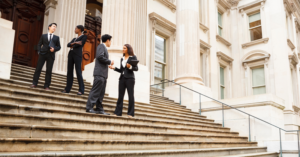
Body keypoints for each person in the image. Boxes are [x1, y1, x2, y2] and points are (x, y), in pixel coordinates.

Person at [86, 34, 114, 115]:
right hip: (99, 73)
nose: (111, 43)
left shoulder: (104, 47)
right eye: (110, 41)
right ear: (108, 40)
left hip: (103, 74)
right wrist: (109, 61)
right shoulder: (101, 46)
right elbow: (100, 57)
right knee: (95, 91)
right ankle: (89, 107)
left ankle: (99, 108)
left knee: (101, 93)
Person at [109, 44, 138, 118]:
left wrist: (130, 66)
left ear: (128, 49)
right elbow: (121, 70)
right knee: (120, 96)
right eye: (123, 48)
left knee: (130, 96)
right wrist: (114, 68)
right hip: (122, 78)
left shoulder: (133, 57)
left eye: (124, 48)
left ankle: (130, 113)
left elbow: (136, 68)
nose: (123, 49)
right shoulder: (122, 59)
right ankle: (118, 112)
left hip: (130, 79)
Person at [30, 23, 61, 90]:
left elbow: (59, 47)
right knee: (38, 69)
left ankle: (46, 85)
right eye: (53, 26)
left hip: (51, 55)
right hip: (42, 54)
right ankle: (34, 83)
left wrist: (54, 49)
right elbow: (39, 44)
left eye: (55, 27)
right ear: (49, 27)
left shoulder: (56, 37)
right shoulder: (43, 36)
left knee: (49, 71)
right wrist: (39, 51)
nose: (54, 28)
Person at [62, 25, 87, 95]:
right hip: (71, 55)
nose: (74, 30)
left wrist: (73, 44)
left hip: (77, 55)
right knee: (69, 72)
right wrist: (75, 43)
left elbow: (80, 44)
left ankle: (81, 90)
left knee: (78, 72)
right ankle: (67, 89)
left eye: (75, 29)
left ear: (79, 29)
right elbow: (68, 45)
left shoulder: (84, 37)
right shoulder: (74, 39)